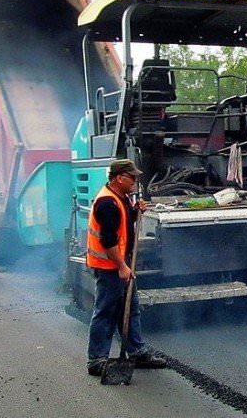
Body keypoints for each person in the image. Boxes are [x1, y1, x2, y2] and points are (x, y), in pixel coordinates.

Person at [86, 159, 166, 377]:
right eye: (132, 177)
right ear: (119, 178)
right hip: (110, 266)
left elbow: (121, 223)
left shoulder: (119, 198)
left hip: (121, 264)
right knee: (105, 312)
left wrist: (134, 211)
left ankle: (137, 351)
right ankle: (97, 359)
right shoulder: (107, 203)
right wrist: (121, 266)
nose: (136, 181)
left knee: (130, 310)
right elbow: (108, 240)